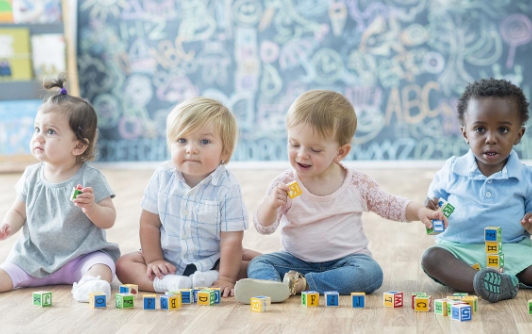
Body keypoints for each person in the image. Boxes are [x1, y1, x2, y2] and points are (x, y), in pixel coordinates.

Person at [233, 90, 446, 304]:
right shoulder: (286, 184)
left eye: (315, 149)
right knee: (259, 264)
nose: (301, 154)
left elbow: (390, 204)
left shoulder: (357, 184)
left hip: (347, 261)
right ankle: (273, 287)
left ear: (340, 152)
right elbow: (263, 227)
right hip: (296, 260)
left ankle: (304, 284)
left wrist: (420, 211)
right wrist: (270, 204)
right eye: (294, 144)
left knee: (370, 273)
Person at [116, 97, 260, 297]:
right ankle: (168, 284)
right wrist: (155, 260)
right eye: (182, 140)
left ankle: (212, 277)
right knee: (124, 264)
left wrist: (226, 278)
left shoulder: (227, 187)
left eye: (204, 141)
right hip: (169, 258)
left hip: (213, 258)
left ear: (224, 152)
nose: (191, 149)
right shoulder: (162, 176)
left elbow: (231, 239)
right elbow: (149, 224)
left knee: (259, 263)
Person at [0, 74, 120, 302]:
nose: (39, 138)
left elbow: (109, 219)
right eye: (37, 129)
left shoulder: (90, 177)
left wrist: (92, 208)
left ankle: (92, 284)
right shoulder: (31, 176)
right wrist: (7, 225)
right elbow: (18, 211)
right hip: (33, 258)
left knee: (103, 265)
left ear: (78, 145)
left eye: (50, 132)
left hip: (80, 257)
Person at [421, 78, 532, 303]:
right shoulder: (452, 170)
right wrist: (430, 210)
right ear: (465, 133)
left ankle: (498, 280)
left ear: (518, 135)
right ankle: (480, 281)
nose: (490, 139)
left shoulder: (526, 177)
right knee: (432, 258)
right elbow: (432, 203)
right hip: (459, 251)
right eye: (480, 129)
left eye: (503, 129)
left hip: (511, 250)